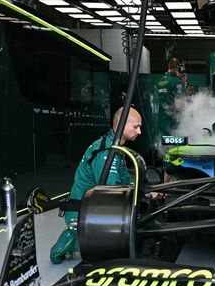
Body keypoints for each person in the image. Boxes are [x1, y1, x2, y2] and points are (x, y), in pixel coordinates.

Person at [50, 107, 146, 264]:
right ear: (121, 124)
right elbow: (111, 190)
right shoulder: (107, 151)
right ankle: (70, 240)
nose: (139, 131)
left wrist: (146, 193)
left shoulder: (116, 149)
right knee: (118, 247)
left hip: (93, 206)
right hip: (81, 213)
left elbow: (126, 182)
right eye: (136, 127)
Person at [155, 57, 185, 137]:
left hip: (157, 120)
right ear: (178, 70)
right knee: (172, 143)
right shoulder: (177, 82)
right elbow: (178, 105)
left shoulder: (158, 81)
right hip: (171, 121)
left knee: (160, 142)